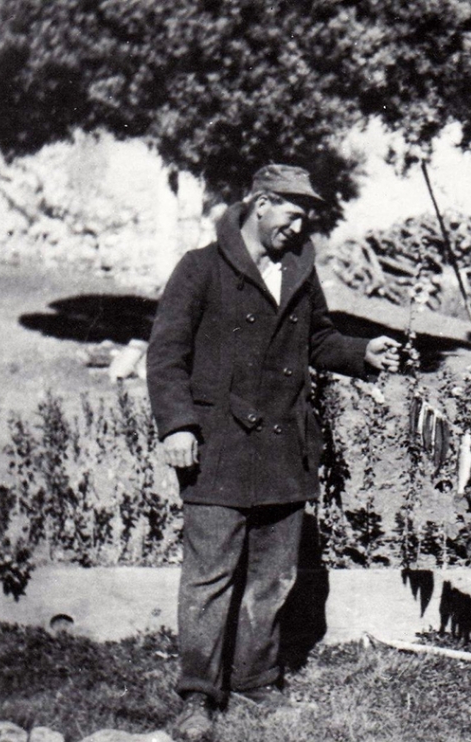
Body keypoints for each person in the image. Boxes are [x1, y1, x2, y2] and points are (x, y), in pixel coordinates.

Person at [146, 164, 400, 739]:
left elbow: (321, 341)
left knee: (274, 577)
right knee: (209, 577)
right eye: (291, 209)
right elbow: (165, 356)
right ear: (260, 204)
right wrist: (177, 426)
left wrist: (364, 354)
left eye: (306, 212)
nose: (301, 221)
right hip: (217, 448)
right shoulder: (199, 270)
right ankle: (198, 696)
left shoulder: (299, 273)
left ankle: (256, 681)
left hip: (286, 449)